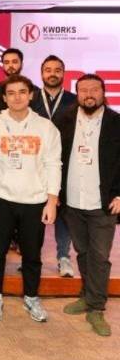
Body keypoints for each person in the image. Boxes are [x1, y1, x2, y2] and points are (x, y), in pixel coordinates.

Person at [0, 74, 61, 323]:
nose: (17, 97)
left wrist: (51, 201)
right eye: (11, 93)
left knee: (32, 255)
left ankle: (31, 297)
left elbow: (53, 164)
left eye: (22, 92)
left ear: (31, 95)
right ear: (4, 98)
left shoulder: (46, 127)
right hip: (0, 198)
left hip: (34, 201)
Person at [56, 74, 120, 336]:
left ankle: (96, 307)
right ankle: (86, 294)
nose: (89, 94)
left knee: (100, 256)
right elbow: (54, 158)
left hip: (103, 203)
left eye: (95, 89)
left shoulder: (116, 123)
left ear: (104, 92)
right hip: (72, 200)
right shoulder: (64, 120)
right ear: (77, 93)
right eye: (83, 90)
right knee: (82, 252)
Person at [31, 55, 77, 278]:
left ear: (63, 74)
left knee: (63, 212)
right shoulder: (31, 100)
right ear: (41, 73)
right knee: (34, 212)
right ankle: (32, 256)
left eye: (57, 70)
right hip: (35, 164)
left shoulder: (74, 100)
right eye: (48, 70)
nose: (52, 74)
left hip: (66, 163)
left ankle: (63, 257)